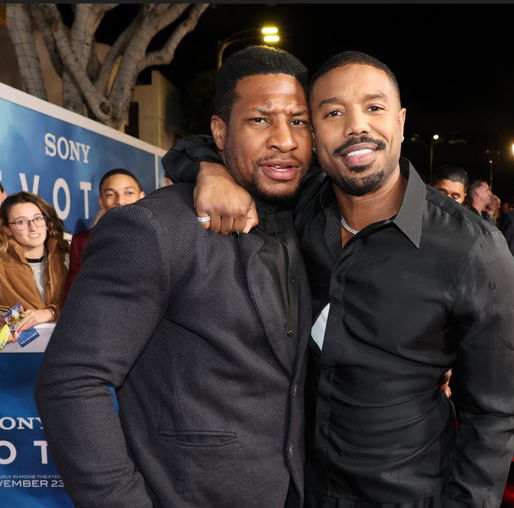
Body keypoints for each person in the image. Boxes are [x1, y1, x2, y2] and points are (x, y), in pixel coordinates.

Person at [164, 50, 514, 507]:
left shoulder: (474, 250)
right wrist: (210, 169)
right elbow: (196, 148)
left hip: (408, 495)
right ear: (314, 135)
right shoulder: (300, 205)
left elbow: (493, 418)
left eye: (373, 108)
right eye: (334, 112)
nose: (356, 126)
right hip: (296, 489)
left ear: (399, 122)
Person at [35, 46, 313, 507]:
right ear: (220, 131)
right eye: (260, 120)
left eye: (299, 121)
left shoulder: (308, 221)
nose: (284, 139)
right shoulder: (154, 228)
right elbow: (71, 382)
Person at [64, 168, 145, 296]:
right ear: (101, 202)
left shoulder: (161, 236)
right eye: (110, 195)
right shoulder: (83, 242)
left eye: (129, 193)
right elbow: (73, 293)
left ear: (141, 197)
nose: (120, 201)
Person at [0, 192, 68, 336]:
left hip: (70, 348)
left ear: (46, 221)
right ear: (7, 229)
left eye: (37, 218)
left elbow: (90, 303)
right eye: (21, 222)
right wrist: (4, 323)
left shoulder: (68, 257)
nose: (33, 227)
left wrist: (52, 313)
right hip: (20, 355)